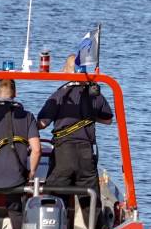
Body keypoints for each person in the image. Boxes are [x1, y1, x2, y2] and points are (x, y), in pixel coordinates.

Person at [38, 55, 113, 194]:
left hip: (64, 152)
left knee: (54, 196)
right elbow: (108, 120)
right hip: (86, 153)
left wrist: (27, 125)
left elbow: (43, 123)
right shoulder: (95, 94)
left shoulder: (59, 95)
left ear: (67, 70)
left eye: (64, 68)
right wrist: (89, 117)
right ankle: (92, 215)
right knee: (90, 198)